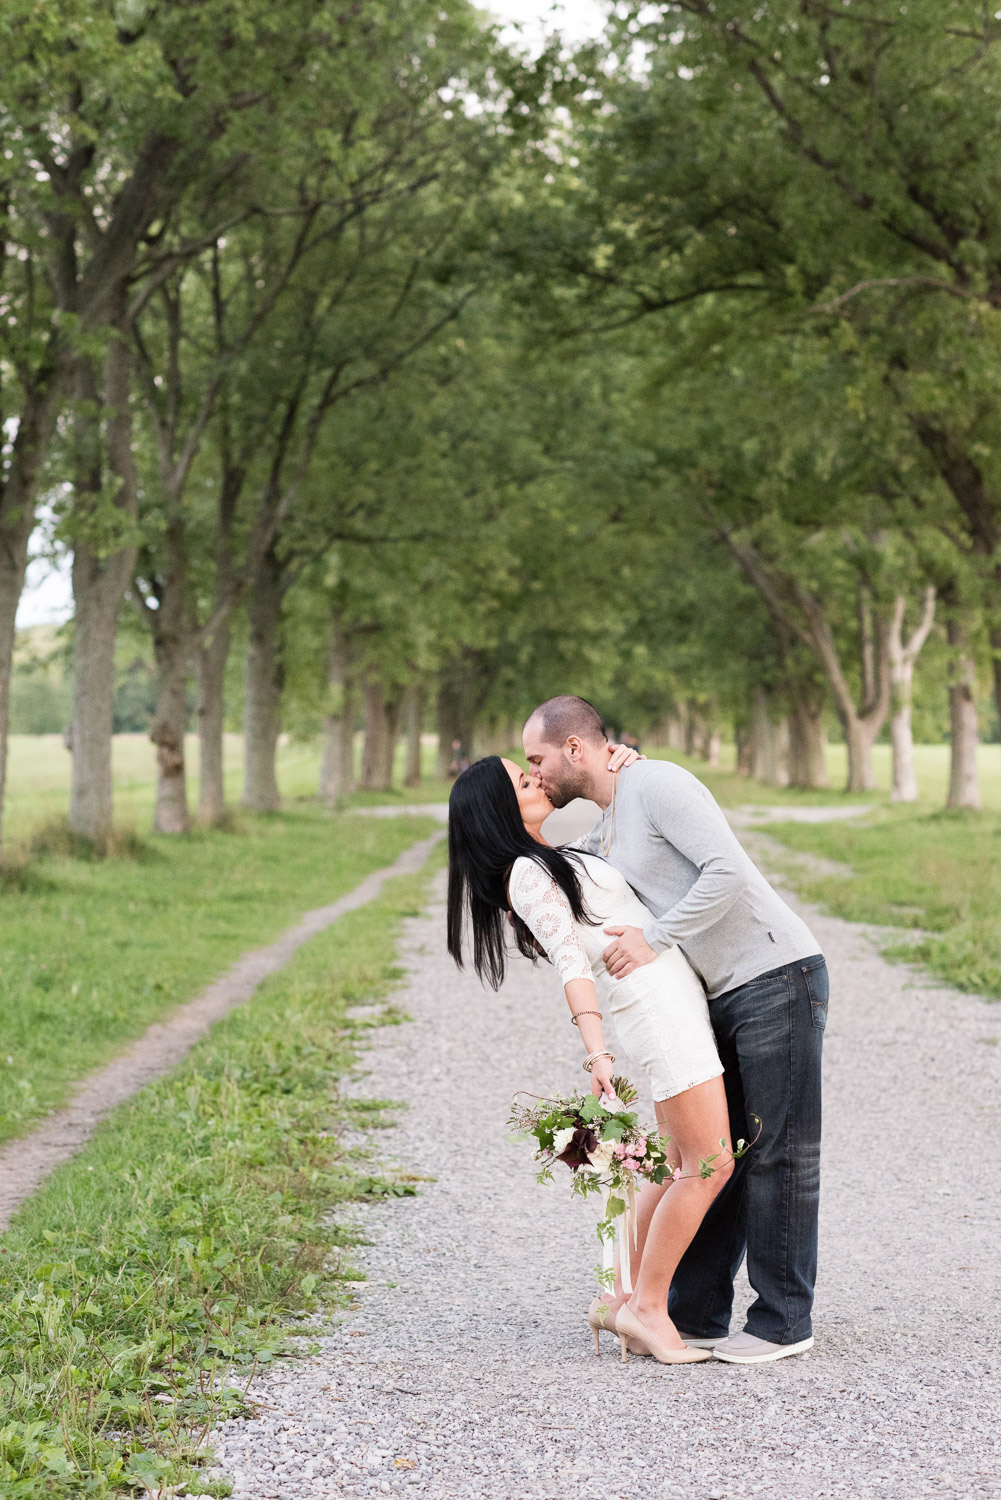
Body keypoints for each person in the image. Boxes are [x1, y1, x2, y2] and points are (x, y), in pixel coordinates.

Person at [522, 695, 827, 1365]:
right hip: (720, 993)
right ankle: (692, 1313)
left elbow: (725, 872)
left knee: (779, 1152)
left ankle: (782, 1322)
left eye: (537, 758)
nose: (534, 771)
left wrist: (654, 939)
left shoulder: (656, 782)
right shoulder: (606, 825)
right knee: (717, 1153)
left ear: (576, 749)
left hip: (774, 974)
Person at [446, 753, 736, 1366]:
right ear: (501, 807)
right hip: (656, 1010)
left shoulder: (553, 856)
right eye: (524, 781)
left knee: (677, 1163)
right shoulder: (526, 874)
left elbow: (615, 829)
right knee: (711, 1165)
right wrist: (595, 1053)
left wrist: (626, 763)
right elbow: (571, 962)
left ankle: (620, 1297)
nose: (538, 780)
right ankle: (649, 1309)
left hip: (667, 1002)